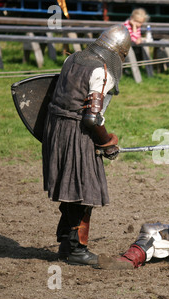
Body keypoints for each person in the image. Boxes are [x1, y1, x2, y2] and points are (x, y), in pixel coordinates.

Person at [42, 25, 132, 266]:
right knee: (84, 190)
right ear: (119, 53)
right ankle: (76, 250)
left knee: (70, 187)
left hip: (55, 128)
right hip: (76, 133)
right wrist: (107, 142)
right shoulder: (102, 69)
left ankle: (65, 244)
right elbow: (92, 118)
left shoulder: (73, 57)